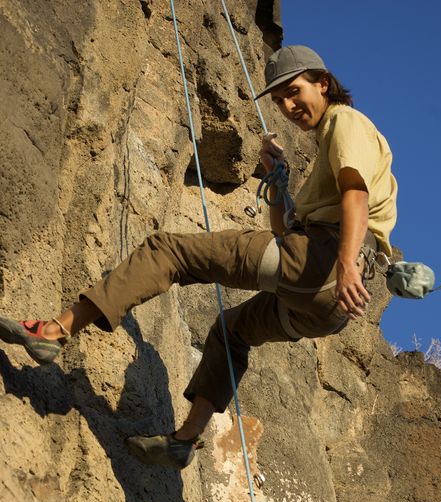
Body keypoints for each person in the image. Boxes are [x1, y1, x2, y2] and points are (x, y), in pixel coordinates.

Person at [0, 46, 397, 469]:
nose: (288, 105)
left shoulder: (346, 122)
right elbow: (282, 234)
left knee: (168, 251)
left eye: (294, 91)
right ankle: (183, 440)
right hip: (326, 308)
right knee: (231, 331)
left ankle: (54, 330)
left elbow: (356, 191)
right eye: (279, 99)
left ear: (323, 82)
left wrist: (347, 262)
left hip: (325, 264)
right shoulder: (328, 148)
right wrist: (278, 183)